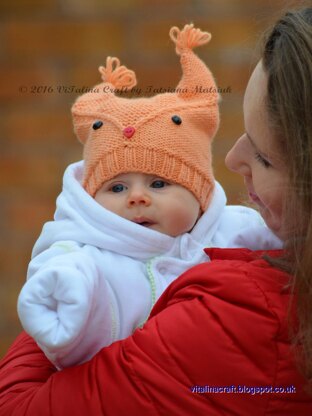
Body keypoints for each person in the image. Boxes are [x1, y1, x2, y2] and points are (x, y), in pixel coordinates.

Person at [0, 7, 311, 415]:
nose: (233, 160)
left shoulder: (236, 309)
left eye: (265, 157)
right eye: (116, 187)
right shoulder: (82, 255)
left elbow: (16, 405)